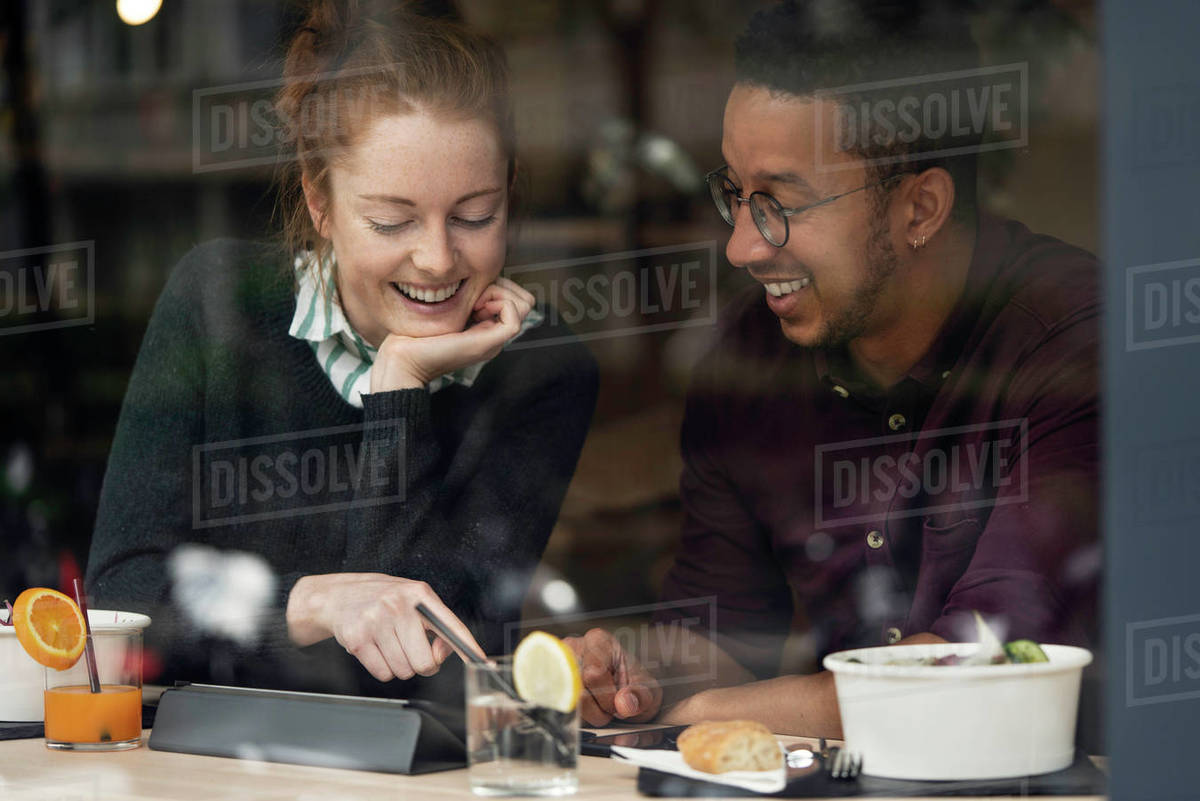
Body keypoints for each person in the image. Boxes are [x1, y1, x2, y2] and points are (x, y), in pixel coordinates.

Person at [567, 0, 1100, 740]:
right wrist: (638, 681)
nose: (741, 248)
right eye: (736, 196)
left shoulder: (1072, 345)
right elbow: (722, 629)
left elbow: (984, 672)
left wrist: (697, 717)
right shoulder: (749, 363)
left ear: (920, 208)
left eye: (781, 204)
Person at [85, 1, 597, 704]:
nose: (438, 258)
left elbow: (419, 660)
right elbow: (121, 597)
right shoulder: (219, 302)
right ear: (319, 202)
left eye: (476, 215)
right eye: (393, 220)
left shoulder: (545, 371)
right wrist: (313, 605)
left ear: (510, 192)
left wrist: (399, 384)